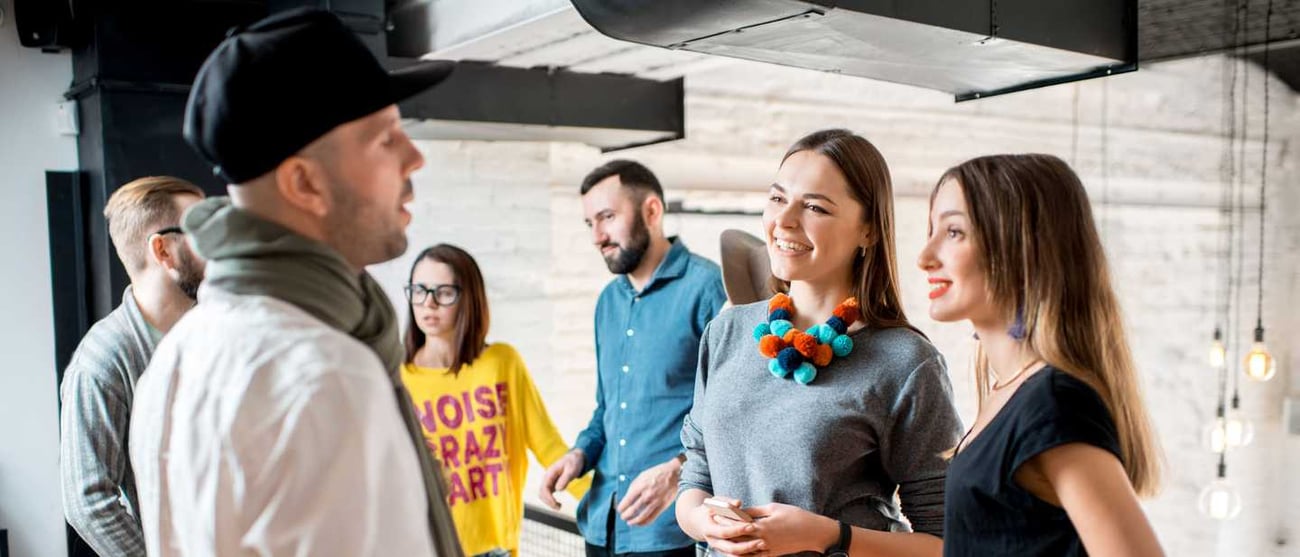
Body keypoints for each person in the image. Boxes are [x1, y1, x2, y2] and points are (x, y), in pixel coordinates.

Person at [128, 8, 463, 556]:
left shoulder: (173, 361)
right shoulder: (327, 378)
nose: (415, 157)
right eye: (385, 140)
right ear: (305, 183)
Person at [675, 129, 963, 557]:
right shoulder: (726, 332)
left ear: (868, 231)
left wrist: (829, 535)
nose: (785, 220)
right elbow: (695, 475)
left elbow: (946, 543)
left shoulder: (906, 362)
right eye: (778, 198)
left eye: (814, 207)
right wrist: (704, 523)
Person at [917, 154, 1163, 556]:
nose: (925, 257)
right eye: (932, 231)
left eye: (954, 232)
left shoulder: (1051, 401)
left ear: (1022, 249)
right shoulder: (1011, 393)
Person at [539, 160, 727, 556]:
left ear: (652, 211)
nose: (597, 236)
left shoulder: (709, 288)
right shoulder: (608, 302)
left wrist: (678, 472)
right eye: (589, 223)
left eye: (607, 217)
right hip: (602, 526)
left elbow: (734, 415)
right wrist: (579, 455)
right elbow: (607, 409)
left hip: (670, 532)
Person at [401, 243, 589, 557]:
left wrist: (607, 503)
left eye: (443, 292)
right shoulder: (398, 380)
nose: (428, 303)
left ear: (468, 298)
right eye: (419, 290)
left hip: (495, 548)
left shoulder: (502, 363)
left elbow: (549, 446)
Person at [60, 176, 206, 556]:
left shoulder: (218, 328)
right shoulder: (102, 360)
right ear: (163, 250)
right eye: (201, 227)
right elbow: (88, 501)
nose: (218, 240)